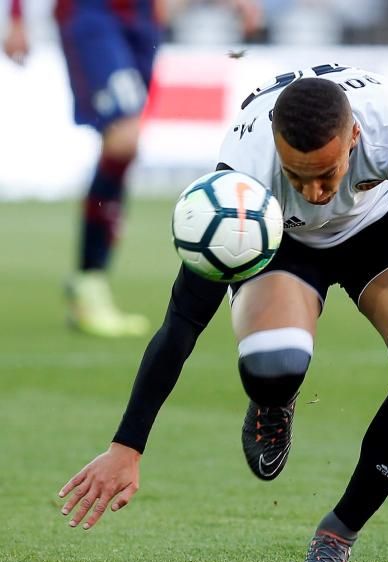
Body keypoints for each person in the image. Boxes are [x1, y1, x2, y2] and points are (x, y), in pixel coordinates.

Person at [55, 64, 388, 562]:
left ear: (354, 137)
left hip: (386, 223)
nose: (313, 193)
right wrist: (128, 446)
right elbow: (183, 322)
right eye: (297, 175)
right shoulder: (240, 179)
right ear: (276, 152)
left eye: (326, 174)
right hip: (280, 239)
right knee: (274, 363)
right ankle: (273, 398)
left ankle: (339, 532)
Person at [2, 0, 259, 337]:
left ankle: (89, 280)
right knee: (124, 138)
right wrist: (18, 18)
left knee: (123, 147)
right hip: (91, 12)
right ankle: (89, 279)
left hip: (144, 16)